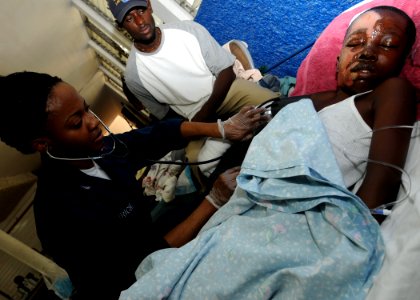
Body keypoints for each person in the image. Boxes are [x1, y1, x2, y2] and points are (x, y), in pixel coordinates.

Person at [117, 6, 417, 300]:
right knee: (202, 173)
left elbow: (375, 196)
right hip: (239, 188)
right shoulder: (135, 75)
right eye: (355, 43)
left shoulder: (391, 91)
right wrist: (218, 133)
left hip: (292, 217)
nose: (366, 52)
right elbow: (168, 120)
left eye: (387, 44)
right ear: (338, 60)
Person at [0, 71, 266, 300]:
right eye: (76, 122)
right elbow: (137, 272)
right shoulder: (61, 215)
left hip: (150, 238)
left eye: (86, 109)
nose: (93, 122)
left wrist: (222, 128)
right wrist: (213, 201)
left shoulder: (102, 149)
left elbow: (156, 135)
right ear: (42, 144)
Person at [107, 0, 278, 178]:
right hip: (193, 118)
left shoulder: (187, 30)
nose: (140, 21)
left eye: (141, 11)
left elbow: (226, 71)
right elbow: (166, 118)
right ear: (121, 26)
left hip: (224, 92)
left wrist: (206, 117)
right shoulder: (134, 76)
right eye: (129, 18)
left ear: (149, 6)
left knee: (273, 104)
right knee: (199, 166)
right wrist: (204, 126)